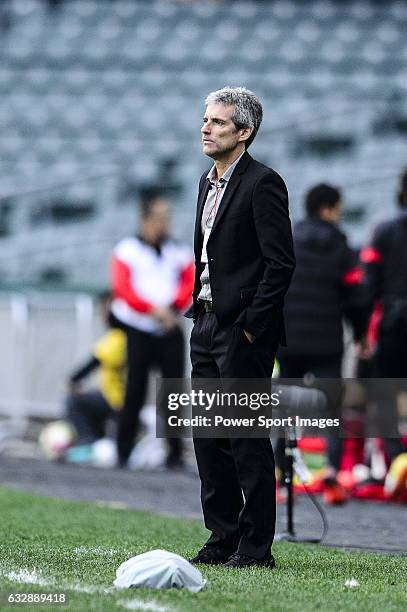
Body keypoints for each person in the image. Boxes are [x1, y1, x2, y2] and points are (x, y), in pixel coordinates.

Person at [186, 87, 295, 568]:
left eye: (218, 122)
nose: (206, 127)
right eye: (205, 120)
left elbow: (281, 264)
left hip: (241, 332)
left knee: (246, 438)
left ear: (244, 133)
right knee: (208, 437)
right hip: (206, 324)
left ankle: (255, 548)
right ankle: (223, 535)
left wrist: (251, 327)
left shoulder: (263, 183)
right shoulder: (205, 184)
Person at [276, 184, 367, 504]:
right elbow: (357, 296)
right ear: (328, 208)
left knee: (287, 409)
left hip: (288, 339)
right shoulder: (341, 245)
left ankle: (281, 479)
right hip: (327, 341)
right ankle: (330, 471)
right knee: (331, 409)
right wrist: (360, 334)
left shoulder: (289, 238)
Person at [111, 193, 194, 469]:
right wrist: (152, 310)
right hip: (139, 328)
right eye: (160, 218)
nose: (165, 223)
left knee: (172, 391)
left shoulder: (178, 251)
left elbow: (189, 282)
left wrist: (172, 308)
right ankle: (123, 449)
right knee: (134, 388)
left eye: (167, 217)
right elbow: (123, 289)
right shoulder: (127, 250)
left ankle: (174, 451)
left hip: (169, 327)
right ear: (146, 219)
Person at [360, 167, 407, 464]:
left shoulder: (385, 231)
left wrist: (364, 331)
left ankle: (395, 458)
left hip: (393, 322)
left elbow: (369, 285)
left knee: (385, 390)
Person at [66, 292, 126, 449]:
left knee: (73, 401)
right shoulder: (132, 337)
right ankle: (98, 439)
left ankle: (88, 440)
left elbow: (92, 364)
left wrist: (72, 382)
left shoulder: (117, 338)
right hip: (123, 399)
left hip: (115, 399)